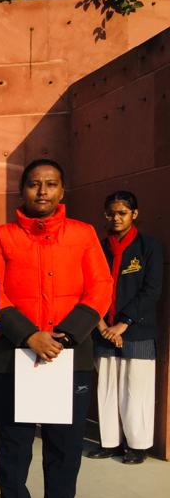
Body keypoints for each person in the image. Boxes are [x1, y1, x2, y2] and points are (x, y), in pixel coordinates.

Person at [0, 158, 112, 498]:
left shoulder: (83, 234)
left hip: (70, 356)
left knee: (65, 445)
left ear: (62, 190)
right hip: (14, 354)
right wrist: (29, 335)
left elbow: (101, 287)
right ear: (23, 190)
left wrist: (65, 336)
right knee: (13, 443)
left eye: (50, 184)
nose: (42, 191)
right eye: (34, 184)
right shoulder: (2, 236)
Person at [90, 191, 163, 464]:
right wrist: (103, 327)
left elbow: (152, 290)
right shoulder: (98, 248)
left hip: (137, 328)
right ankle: (110, 443)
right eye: (111, 213)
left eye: (122, 213)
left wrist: (123, 324)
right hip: (103, 327)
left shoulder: (149, 247)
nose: (116, 218)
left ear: (135, 214)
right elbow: (90, 288)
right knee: (107, 387)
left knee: (136, 388)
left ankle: (137, 446)